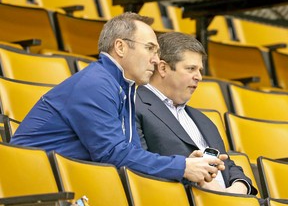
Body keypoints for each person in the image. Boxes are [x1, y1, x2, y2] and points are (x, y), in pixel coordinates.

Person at [10, 12, 226, 184]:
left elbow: (133, 155)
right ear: (121, 47)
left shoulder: (123, 87)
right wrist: (182, 167)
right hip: (33, 185)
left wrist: (190, 168)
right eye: (150, 48)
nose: (155, 60)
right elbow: (113, 154)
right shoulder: (95, 84)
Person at [135, 31, 258, 195]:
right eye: (191, 69)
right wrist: (191, 176)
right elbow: (138, 166)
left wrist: (240, 186)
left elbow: (227, 163)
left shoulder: (204, 120)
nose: (199, 77)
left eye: (200, 70)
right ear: (163, 68)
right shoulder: (134, 105)